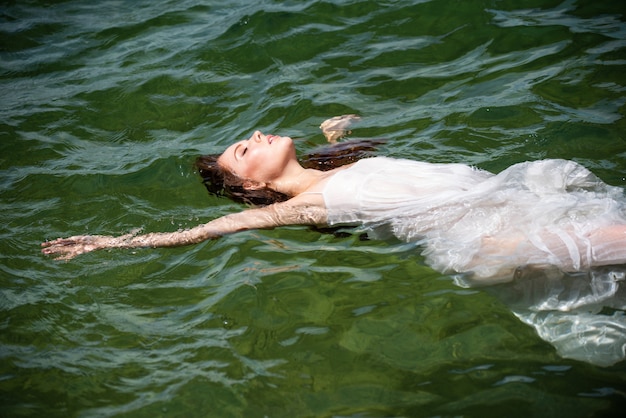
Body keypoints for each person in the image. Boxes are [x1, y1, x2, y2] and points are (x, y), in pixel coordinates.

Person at [42, 115, 626, 366]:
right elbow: (207, 230)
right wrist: (107, 244)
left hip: (507, 206)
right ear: (253, 184)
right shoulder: (304, 207)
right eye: (245, 150)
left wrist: (335, 129)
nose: (254, 134)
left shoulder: (331, 164)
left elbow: (365, 154)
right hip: (484, 237)